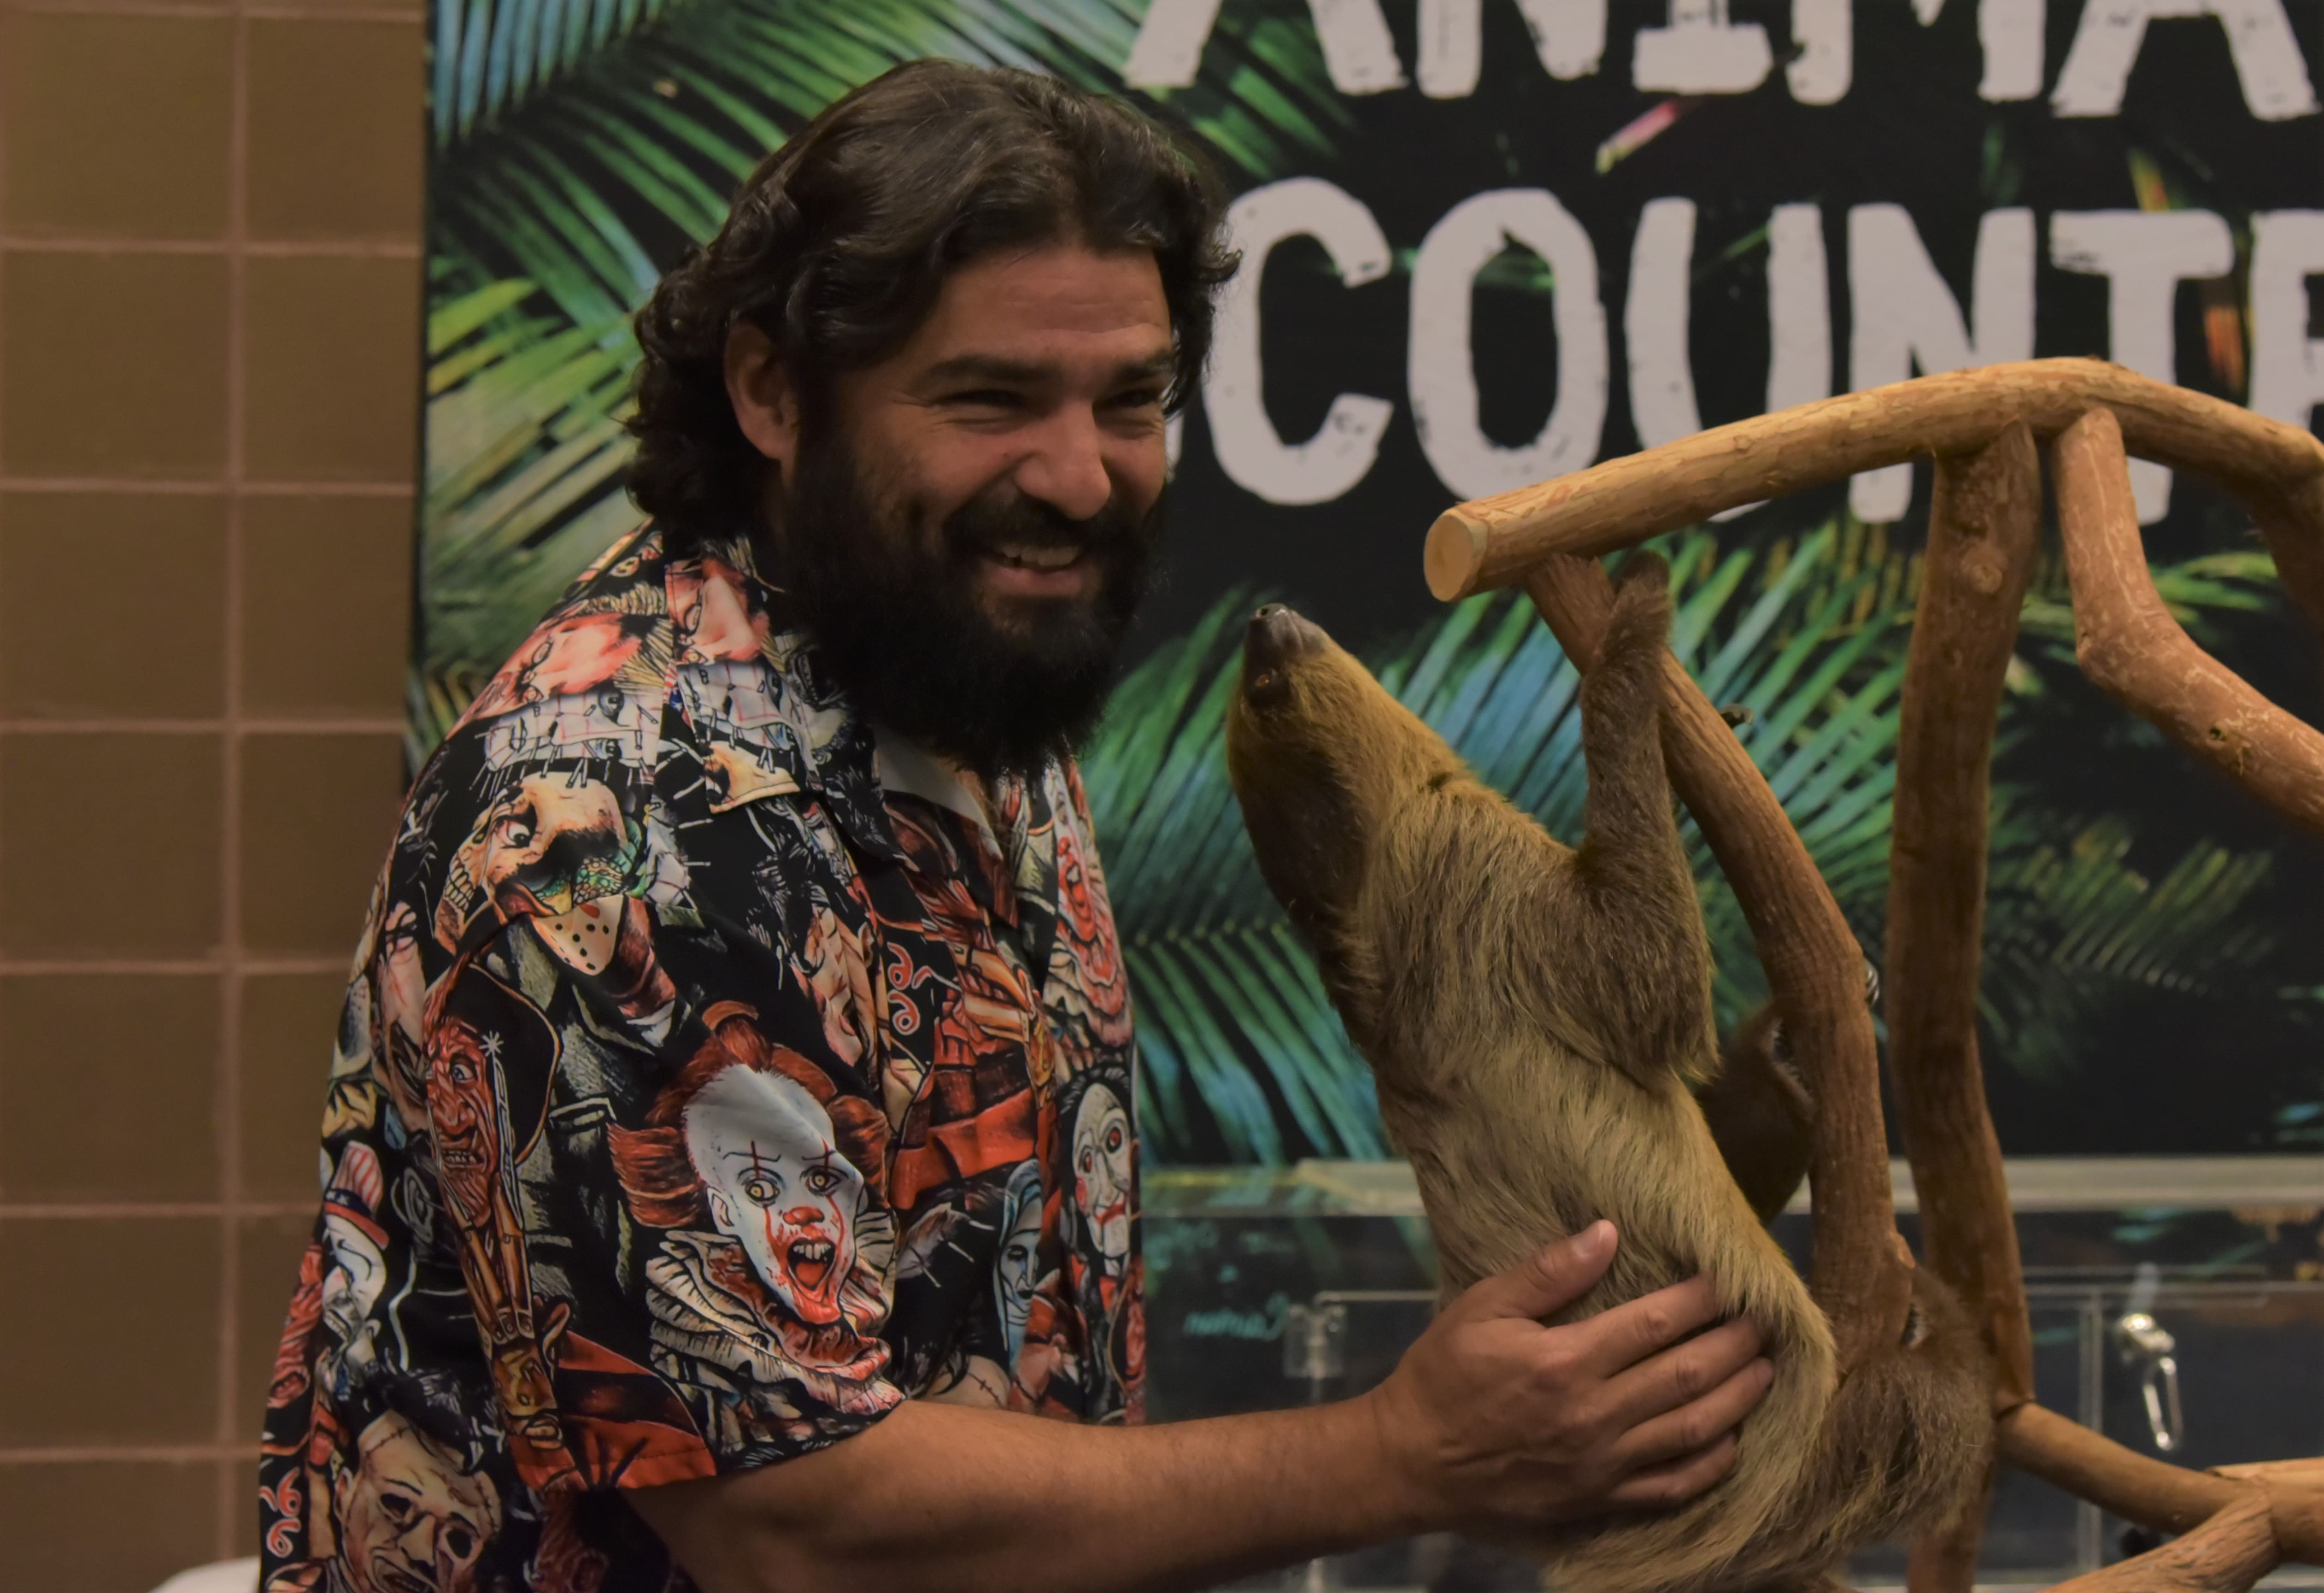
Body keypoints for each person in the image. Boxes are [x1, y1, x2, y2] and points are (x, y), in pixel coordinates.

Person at [258, 59, 1776, 1593]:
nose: (1077, 477)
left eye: (1131, 401)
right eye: (988, 401)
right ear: (770, 390)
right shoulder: (611, 833)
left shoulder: (946, 667)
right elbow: (800, 1524)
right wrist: (1393, 1455)